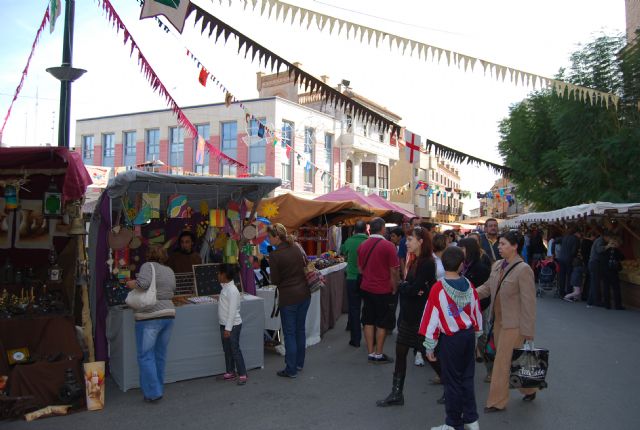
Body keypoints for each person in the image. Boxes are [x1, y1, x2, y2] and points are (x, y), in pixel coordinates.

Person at [420, 246, 482, 430]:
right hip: (468, 335)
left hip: (451, 339)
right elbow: (476, 311)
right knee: (467, 378)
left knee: (452, 382)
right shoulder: (469, 285)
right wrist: (477, 334)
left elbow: (431, 318)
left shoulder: (438, 288)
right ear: (462, 265)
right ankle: (471, 418)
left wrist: (429, 345)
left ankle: (453, 423)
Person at [476, 231, 537, 413]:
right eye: (499, 244)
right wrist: (466, 294)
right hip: (498, 322)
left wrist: (528, 331)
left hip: (514, 325)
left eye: (503, 244)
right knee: (512, 361)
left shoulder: (524, 269)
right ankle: (529, 388)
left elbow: (529, 303)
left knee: (502, 362)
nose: (499, 247)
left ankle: (496, 401)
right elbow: (487, 287)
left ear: (514, 246)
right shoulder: (496, 266)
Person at [377, 226, 436, 407]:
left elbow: (414, 289)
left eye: (410, 239)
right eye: (407, 239)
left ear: (421, 242)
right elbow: (412, 288)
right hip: (410, 316)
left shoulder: (426, 262)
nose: (406, 243)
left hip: (419, 317)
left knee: (430, 356)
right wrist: (408, 288)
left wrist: (407, 288)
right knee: (401, 352)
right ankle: (397, 394)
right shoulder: (416, 260)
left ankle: (454, 389)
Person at [126, 245, 176, 403]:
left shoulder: (148, 266)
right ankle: (157, 386)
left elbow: (143, 284)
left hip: (150, 316)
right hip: (169, 314)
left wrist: (131, 283)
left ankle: (153, 392)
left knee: (146, 355)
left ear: (149, 255)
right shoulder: (169, 270)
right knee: (160, 354)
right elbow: (172, 290)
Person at [267, 223, 311, 378]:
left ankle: (291, 368)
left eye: (269, 236)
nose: (268, 239)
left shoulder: (275, 255)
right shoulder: (296, 247)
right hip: (304, 294)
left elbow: (275, 280)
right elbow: (306, 266)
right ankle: (299, 363)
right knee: (300, 330)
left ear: (276, 237)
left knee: (290, 333)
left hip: (289, 297)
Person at [357, 217, 400, 364]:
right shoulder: (389, 246)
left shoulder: (362, 245)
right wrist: (394, 288)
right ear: (382, 228)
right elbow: (393, 271)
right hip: (383, 289)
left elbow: (360, 269)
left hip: (366, 287)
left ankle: (370, 353)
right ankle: (378, 353)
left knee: (368, 320)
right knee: (382, 322)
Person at [339, 220, 369, 347]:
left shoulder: (349, 241)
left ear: (354, 230)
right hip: (367, 279)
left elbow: (342, 252)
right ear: (365, 230)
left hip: (352, 278)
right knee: (368, 308)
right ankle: (370, 339)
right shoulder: (369, 241)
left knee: (354, 308)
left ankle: (355, 339)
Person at [217, 264, 247, 385]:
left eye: (219, 273)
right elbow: (224, 288)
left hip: (232, 326)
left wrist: (228, 329)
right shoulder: (225, 287)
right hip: (224, 325)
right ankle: (230, 371)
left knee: (234, 349)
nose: (217, 275)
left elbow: (232, 311)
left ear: (224, 275)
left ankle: (243, 373)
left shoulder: (233, 290)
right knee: (227, 349)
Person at [600, 235, 625, 310]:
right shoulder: (617, 251)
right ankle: (618, 305)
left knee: (606, 288)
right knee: (616, 288)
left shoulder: (605, 250)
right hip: (613, 271)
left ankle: (607, 305)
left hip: (605, 270)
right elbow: (622, 257)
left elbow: (601, 258)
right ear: (616, 243)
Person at [558, 227, 581, 297]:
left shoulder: (565, 237)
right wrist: (574, 256)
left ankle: (561, 292)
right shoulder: (576, 239)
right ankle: (568, 292)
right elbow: (574, 251)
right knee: (569, 275)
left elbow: (555, 241)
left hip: (561, 258)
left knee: (562, 275)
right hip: (569, 259)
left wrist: (553, 253)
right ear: (576, 232)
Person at [587, 229, 606, 307]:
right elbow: (599, 250)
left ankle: (591, 300)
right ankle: (596, 301)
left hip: (592, 263)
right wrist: (607, 246)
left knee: (594, 282)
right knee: (595, 283)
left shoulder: (598, 240)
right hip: (595, 263)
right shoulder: (600, 241)